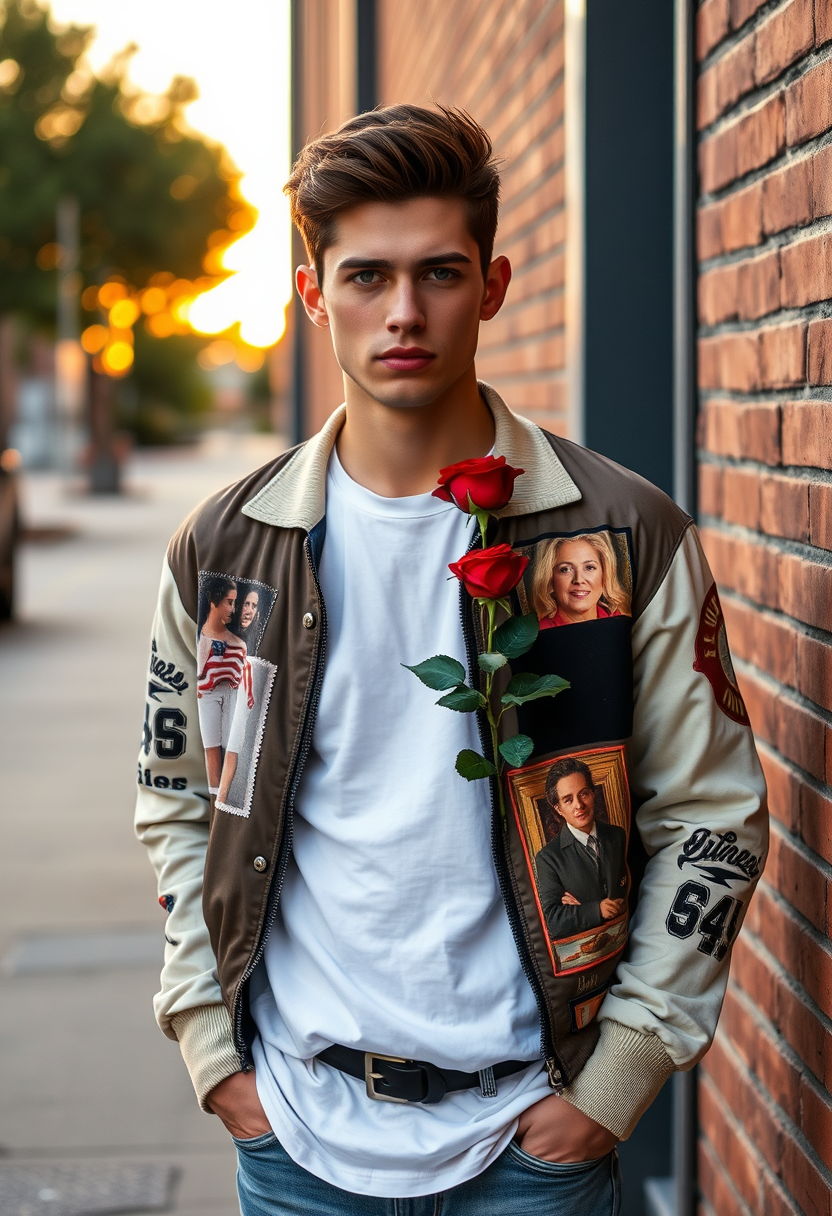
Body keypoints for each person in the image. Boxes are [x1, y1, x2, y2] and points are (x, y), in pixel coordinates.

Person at [135, 105, 767, 1216]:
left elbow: (712, 814)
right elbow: (182, 802)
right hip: (298, 1134)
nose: (404, 313)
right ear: (311, 293)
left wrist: (613, 1086)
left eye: (438, 273)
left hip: (534, 1142)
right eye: (367, 277)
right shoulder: (227, 548)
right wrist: (213, 1055)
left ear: (493, 284)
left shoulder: (621, 532)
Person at [536, 758, 628, 940]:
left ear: (594, 794)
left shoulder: (617, 836)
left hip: (627, 936)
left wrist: (623, 904)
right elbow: (553, 922)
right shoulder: (547, 858)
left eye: (584, 794)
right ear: (558, 808)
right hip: (587, 954)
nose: (579, 805)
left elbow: (630, 885)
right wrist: (596, 910)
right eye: (568, 800)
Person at [196, 576, 253, 793]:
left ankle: (224, 802)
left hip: (231, 694)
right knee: (211, 749)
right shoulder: (201, 636)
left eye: (235, 602)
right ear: (214, 602)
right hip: (207, 695)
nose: (234, 608)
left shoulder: (238, 644)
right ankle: (216, 802)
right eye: (229, 602)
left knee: (231, 748)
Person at [531, 533, 630, 628]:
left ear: (605, 574)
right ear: (550, 579)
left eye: (589, 567)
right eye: (565, 569)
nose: (578, 580)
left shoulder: (622, 622)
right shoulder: (536, 636)